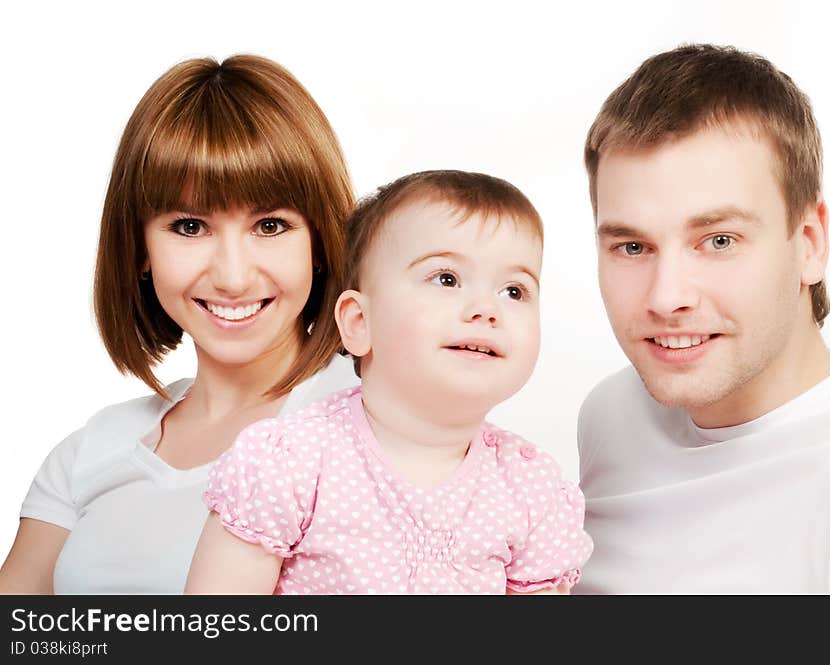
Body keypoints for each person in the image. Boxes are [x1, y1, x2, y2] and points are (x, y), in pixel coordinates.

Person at [0, 55, 358, 594]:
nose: (234, 276)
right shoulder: (94, 448)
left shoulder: (381, 428)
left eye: (271, 225)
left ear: (319, 242)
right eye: (190, 226)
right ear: (140, 246)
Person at [185, 170, 593, 594]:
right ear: (360, 322)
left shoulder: (529, 489)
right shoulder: (291, 463)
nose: (486, 310)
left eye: (514, 291)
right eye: (447, 279)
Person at [574, 44, 830, 593]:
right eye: (631, 247)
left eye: (718, 240)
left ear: (809, 242)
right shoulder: (611, 414)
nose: (667, 299)